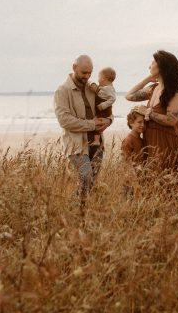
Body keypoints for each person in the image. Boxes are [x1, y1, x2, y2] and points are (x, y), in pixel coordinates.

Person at [54, 55, 112, 204]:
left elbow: (107, 110)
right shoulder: (62, 90)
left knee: (91, 182)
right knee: (86, 176)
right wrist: (92, 125)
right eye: (83, 73)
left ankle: (80, 211)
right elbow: (64, 120)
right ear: (74, 68)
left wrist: (109, 120)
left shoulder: (93, 88)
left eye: (90, 73)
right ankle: (75, 207)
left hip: (97, 143)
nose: (87, 77)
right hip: (76, 144)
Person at [126, 49, 178, 191]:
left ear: (161, 67)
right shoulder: (153, 89)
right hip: (150, 140)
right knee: (151, 182)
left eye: (153, 63)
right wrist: (147, 79)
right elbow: (129, 95)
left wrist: (148, 113)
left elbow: (171, 120)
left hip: (166, 142)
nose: (149, 66)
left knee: (167, 184)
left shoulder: (173, 91)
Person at [88, 67, 117, 147]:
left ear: (104, 78)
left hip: (103, 109)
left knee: (97, 122)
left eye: (99, 77)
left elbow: (113, 98)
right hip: (103, 109)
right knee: (99, 123)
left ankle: (97, 140)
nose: (98, 80)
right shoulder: (105, 88)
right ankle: (97, 140)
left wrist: (103, 105)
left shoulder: (109, 88)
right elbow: (99, 91)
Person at [121, 108, 146, 198]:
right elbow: (126, 163)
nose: (142, 125)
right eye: (139, 122)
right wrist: (134, 181)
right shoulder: (128, 140)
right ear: (131, 123)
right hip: (130, 181)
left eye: (144, 122)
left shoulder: (142, 140)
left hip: (140, 179)